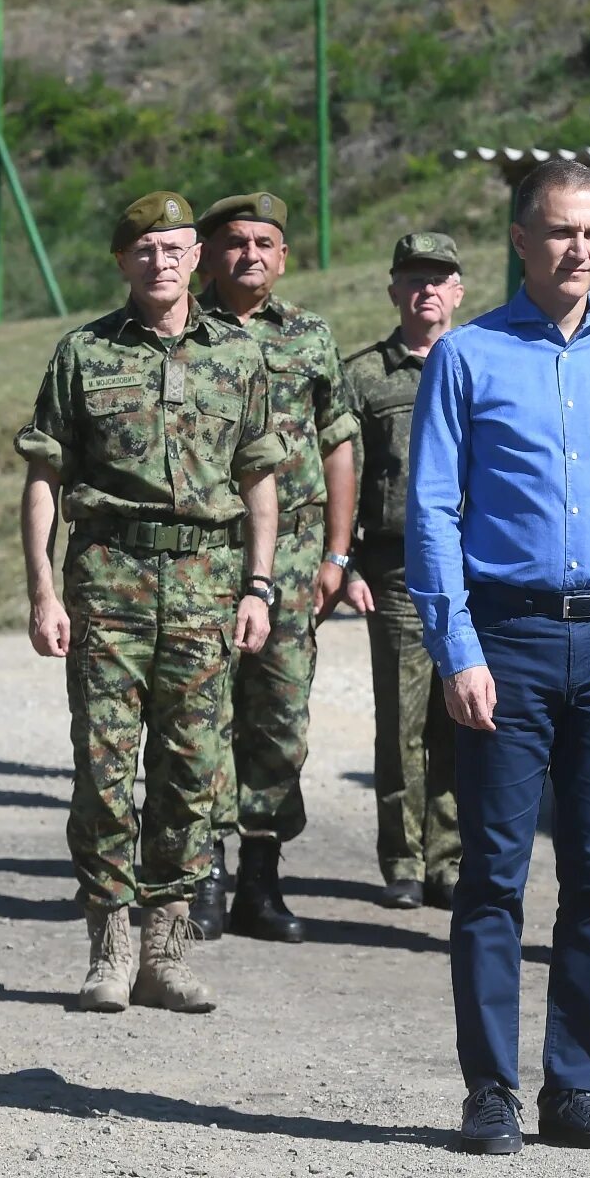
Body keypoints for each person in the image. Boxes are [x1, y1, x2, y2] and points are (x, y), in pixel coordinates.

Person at [408, 157, 590, 1155]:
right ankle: (489, 1088)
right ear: (521, 241)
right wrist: (457, 647)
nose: (580, 249)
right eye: (559, 232)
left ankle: (573, 1085)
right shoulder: (468, 357)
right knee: (491, 873)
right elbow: (434, 512)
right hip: (510, 639)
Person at [15, 191, 285, 1013]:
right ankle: (109, 938)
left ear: (193, 257)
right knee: (102, 768)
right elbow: (44, 477)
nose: (160, 262)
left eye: (173, 248)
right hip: (110, 579)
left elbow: (260, 479)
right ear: (122, 260)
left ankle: (167, 943)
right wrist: (42, 589)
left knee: (192, 771)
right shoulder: (82, 353)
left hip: (207, 585)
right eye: (143, 249)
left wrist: (259, 584)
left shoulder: (238, 356)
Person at [196, 192, 358, 944]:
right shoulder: (178, 330)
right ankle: (199, 874)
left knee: (279, 716)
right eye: (234, 241)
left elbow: (337, 443)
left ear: (283, 256)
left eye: (264, 242)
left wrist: (335, 550)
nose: (250, 254)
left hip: (292, 559)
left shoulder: (311, 337)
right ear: (207, 253)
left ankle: (260, 880)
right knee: (197, 715)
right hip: (201, 553)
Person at [340, 232, 467, 911]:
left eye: (439, 278)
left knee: (465, 714)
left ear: (457, 291)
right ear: (393, 289)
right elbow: (345, 479)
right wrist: (350, 563)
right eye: (413, 278)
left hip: (475, 572)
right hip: (396, 566)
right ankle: (404, 859)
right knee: (401, 720)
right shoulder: (363, 376)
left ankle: (450, 856)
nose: (426, 290)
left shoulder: (485, 361)